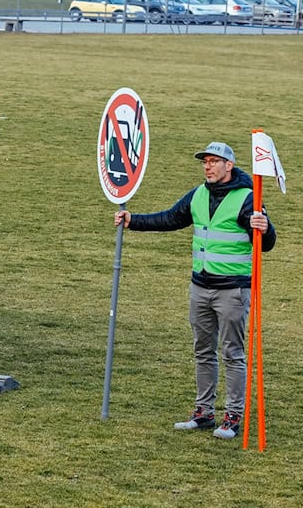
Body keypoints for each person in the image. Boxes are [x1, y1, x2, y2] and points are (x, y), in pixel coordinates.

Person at [114, 141, 276, 440]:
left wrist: (265, 228)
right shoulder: (199, 195)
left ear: (229, 166)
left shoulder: (248, 199)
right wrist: (133, 220)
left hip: (233, 291)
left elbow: (265, 245)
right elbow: (170, 218)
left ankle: (232, 417)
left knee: (232, 353)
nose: (208, 166)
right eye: (205, 161)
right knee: (203, 351)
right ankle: (204, 412)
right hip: (200, 288)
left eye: (215, 161)